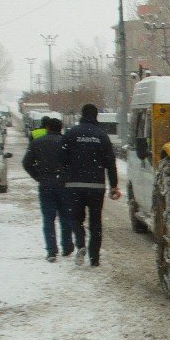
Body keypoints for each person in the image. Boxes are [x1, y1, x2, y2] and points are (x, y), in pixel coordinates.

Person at [61, 104, 120, 267]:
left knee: (76, 219)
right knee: (96, 222)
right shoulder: (102, 135)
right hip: (96, 186)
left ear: (82, 114)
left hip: (74, 185)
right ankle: (94, 258)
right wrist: (113, 184)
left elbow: (62, 157)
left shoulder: (72, 133)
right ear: (96, 116)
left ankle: (80, 244)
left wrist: (66, 175)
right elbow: (110, 162)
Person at [22, 117, 72, 262]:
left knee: (48, 219)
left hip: (46, 185)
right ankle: (67, 246)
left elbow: (26, 162)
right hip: (64, 185)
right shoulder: (67, 143)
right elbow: (74, 162)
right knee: (65, 217)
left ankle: (51, 250)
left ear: (48, 128)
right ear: (61, 128)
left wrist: (37, 176)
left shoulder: (38, 142)